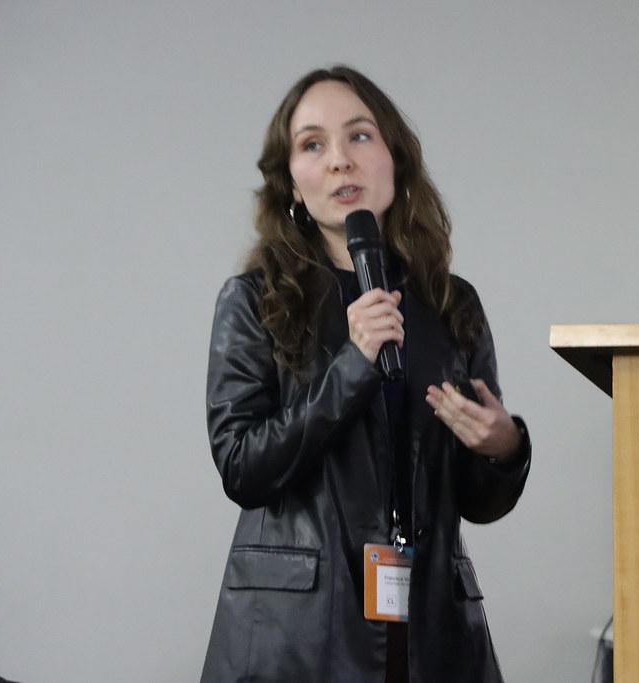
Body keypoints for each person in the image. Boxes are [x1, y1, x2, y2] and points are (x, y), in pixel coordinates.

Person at [200, 65, 531, 683]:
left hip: (430, 626)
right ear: (292, 184)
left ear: (395, 159)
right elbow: (242, 466)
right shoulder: (255, 301)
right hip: (301, 634)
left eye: (359, 136)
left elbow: (479, 502)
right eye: (312, 144)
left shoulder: (450, 303)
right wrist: (353, 365)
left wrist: (503, 447)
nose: (340, 161)